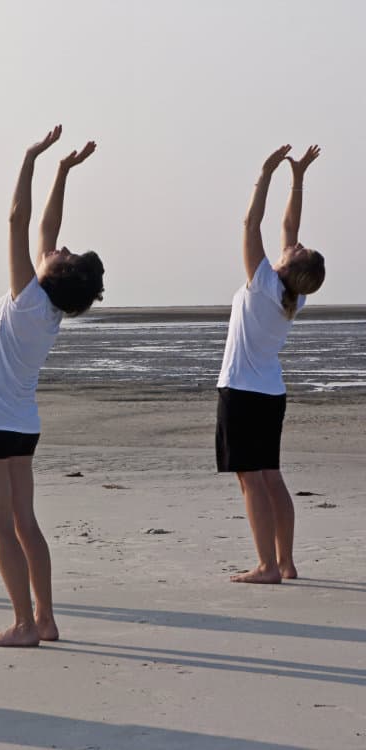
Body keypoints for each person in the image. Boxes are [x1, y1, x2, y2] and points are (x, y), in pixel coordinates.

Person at [0, 125, 104, 647]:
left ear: (52, 273)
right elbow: (46, 224)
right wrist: (62, 170)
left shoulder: (28, 302)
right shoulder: (46, 307)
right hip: (19, 426)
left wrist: (29, 157)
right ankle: (44, 617)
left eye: (61, 254)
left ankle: (24, 624)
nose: (58, 246)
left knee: (1, 528)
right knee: (25, 523)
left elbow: (20, 220)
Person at [216, 144, 326, 584]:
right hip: (269, 393)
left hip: (242, 392)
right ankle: (286, 561)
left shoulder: (264, 282)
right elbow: (288, 227)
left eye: (295, 250)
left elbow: (251, 223)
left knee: (252, 481)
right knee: (271, 476)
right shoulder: (290, 294)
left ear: (284, 267)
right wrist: (296, 177)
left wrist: (264, 173)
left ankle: (267, 565)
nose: (294, 244)